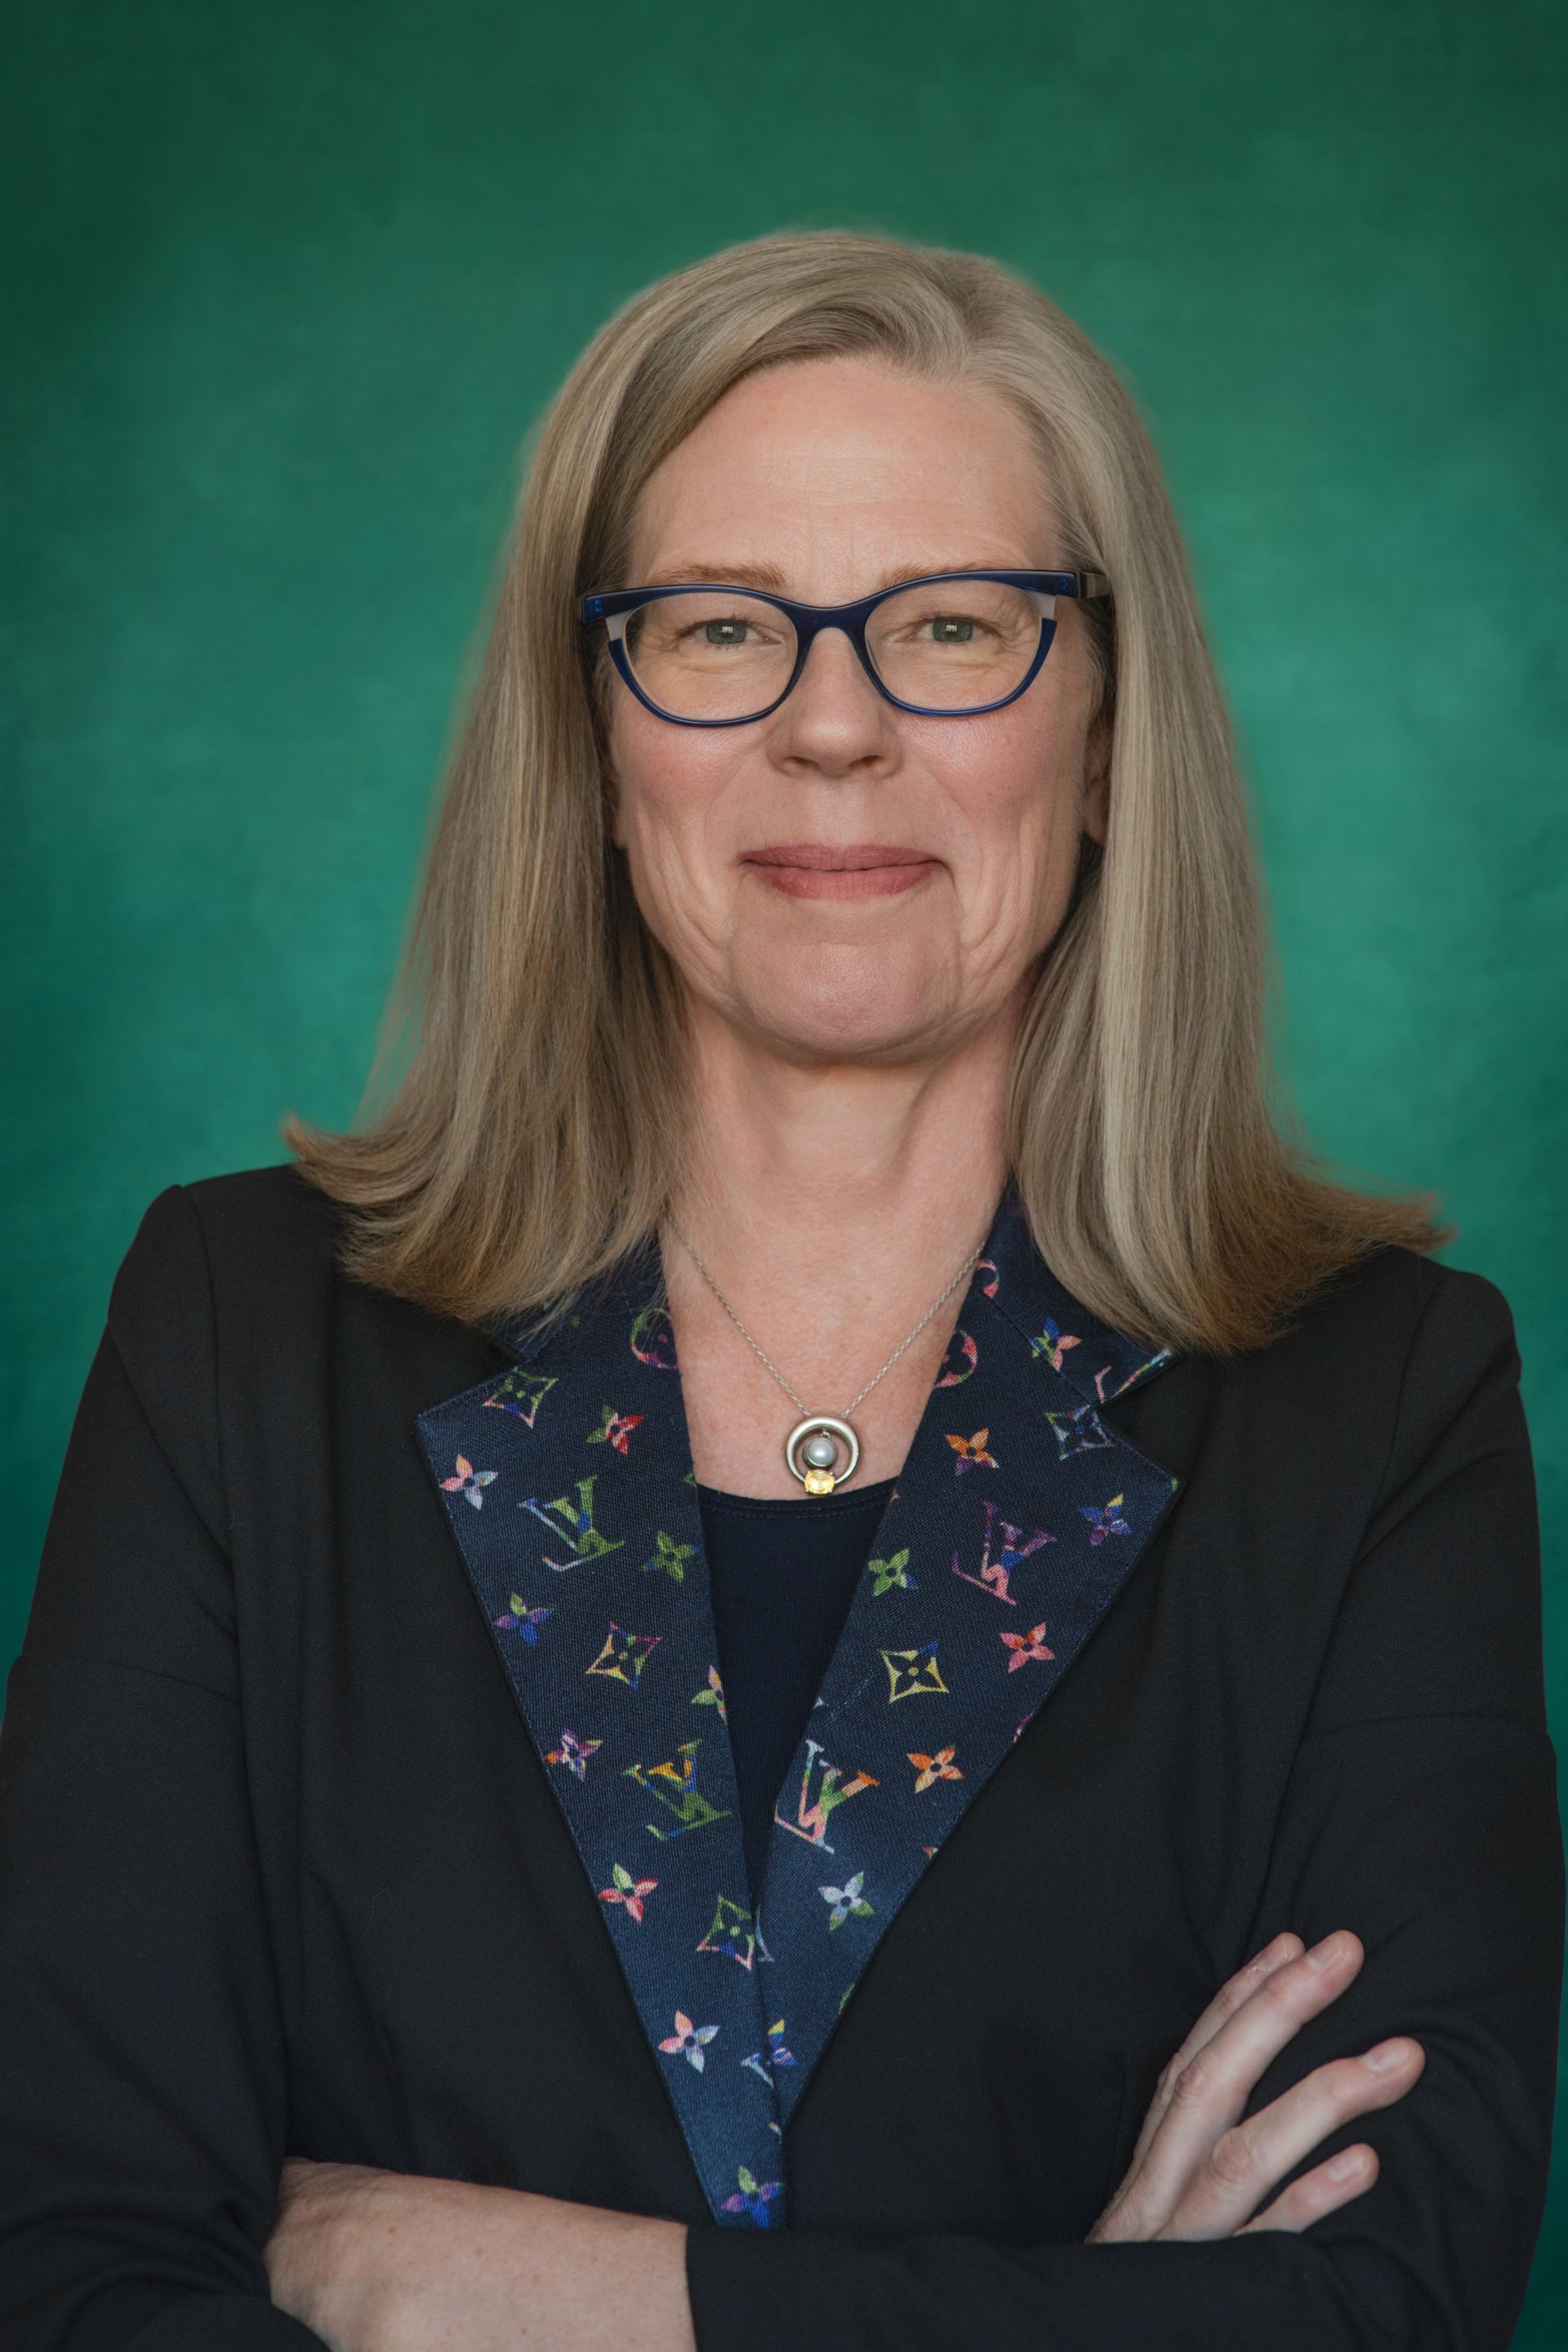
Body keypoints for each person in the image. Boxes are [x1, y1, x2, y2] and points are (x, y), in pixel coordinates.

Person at [0, 229, 1559, 2352]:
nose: (836, 728)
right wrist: (1075, 2316)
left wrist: (546, 2296)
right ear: (594, 736)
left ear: (1107, 739)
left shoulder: (1383, 1398)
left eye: (955, 629)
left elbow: (1390, 2304)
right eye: (721, 632)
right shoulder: (235, 1334)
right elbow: (75, 2276)